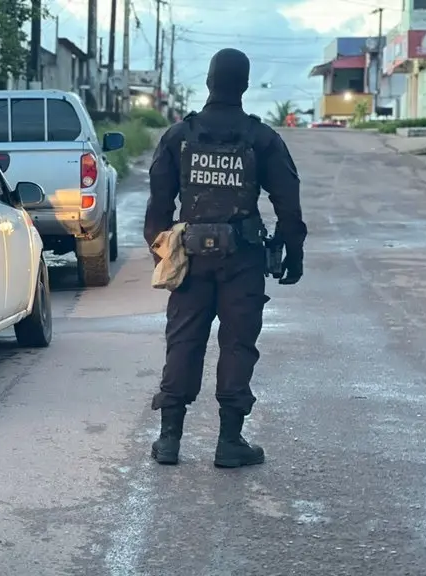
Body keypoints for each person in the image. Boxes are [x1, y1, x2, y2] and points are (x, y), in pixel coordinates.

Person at [144, 48, 307, 468]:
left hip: (190, 258)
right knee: (237, 344)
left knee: (183, 341)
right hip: (244, 260)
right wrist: (295, 252)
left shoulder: (179, 137)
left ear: (209, 82)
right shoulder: (261, 138)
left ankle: (169, 440)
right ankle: (229, 441)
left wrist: (163, 253)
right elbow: (289, 203)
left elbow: (158, 206)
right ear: (246, 85)